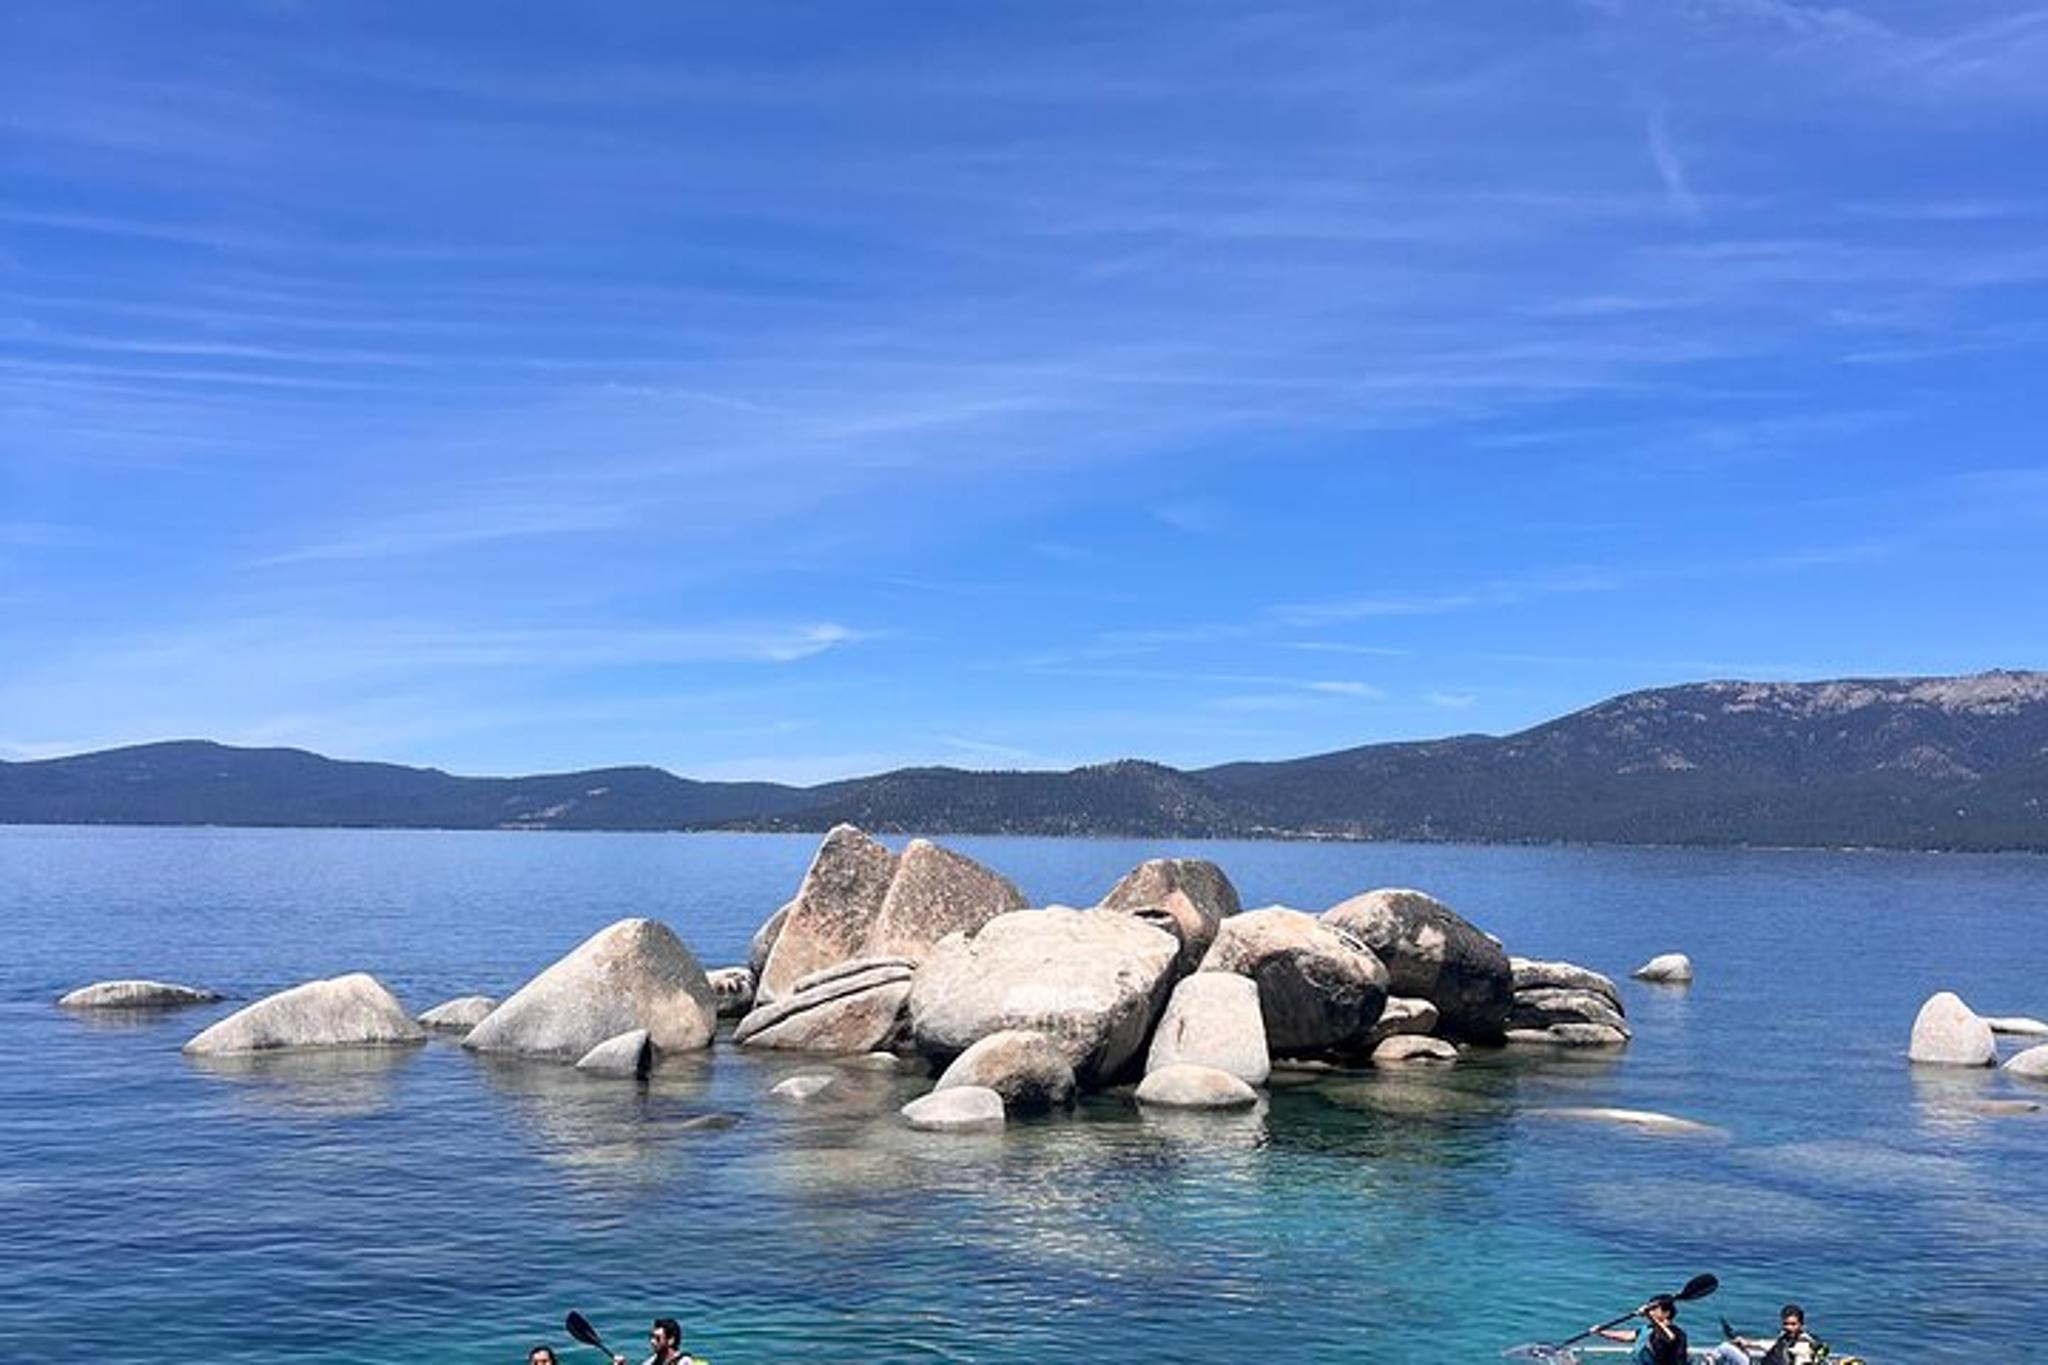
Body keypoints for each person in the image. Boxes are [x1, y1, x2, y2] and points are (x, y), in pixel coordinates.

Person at [1713, 1304, 1828, 1364]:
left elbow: (1803, 1358)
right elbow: (1773, 1345)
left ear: (1801, 1324)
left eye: (1793, 1324)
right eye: (1786, 1324)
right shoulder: (1786, 1336)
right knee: (1726, 1348)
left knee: (1725, 1349)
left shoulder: (1804, 1344)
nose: (1789, 1327)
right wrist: (1747, 1343)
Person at [1594, 1293, 1689, 1365]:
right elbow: (1628, 1336)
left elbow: (1668, 1337)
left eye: (1654, 1308)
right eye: (1650, 1308)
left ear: (1666, 1313)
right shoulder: (1648, 1329)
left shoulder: (1677, 1333)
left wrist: (1649, 1315)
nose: (1651, 1311)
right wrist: (1601, 1332)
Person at [611, 1317, 704, 1365]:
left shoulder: (684, 1362)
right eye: (651, 1337)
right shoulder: (654, 1360)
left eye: (657, 1338)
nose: (652, 1341)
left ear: (671, 1340)